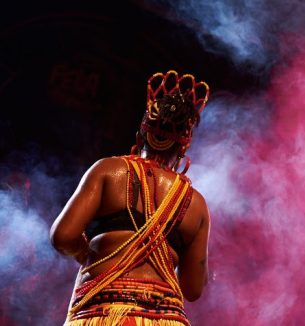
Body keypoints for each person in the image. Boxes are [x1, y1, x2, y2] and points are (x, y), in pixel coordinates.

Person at [50, 70, 212, 326]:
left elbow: (63, 236)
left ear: (141, 134)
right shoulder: (196, 204)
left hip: (104, 314)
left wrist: (88, 255)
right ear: (183, 146)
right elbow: (192, 289)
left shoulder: (108, 170)